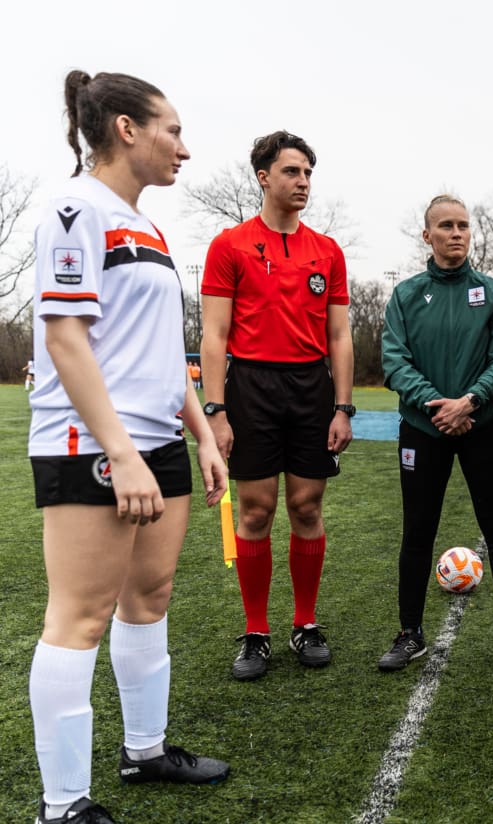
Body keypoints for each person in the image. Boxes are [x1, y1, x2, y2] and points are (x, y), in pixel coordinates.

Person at [28, 70, 230, 824]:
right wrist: (120, 452)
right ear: (125, 128)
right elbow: (65, 339)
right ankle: (62, 805)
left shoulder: (144, 224)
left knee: (149, 599)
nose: (183, 145)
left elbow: (159, 348)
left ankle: (144, 751)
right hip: (93, 446)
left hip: (158, 445)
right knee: (79, 616)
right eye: (171, 129)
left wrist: (203, 437)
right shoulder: (75, 208)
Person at [200, 131, 354, 681]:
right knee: (257, 511)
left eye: (308, 172)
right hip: (251, 389)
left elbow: (340, 336)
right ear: (264, 177)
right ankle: (257, 631)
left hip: (311, 389)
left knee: (307, 508)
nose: (303, 182)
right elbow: (214, 335)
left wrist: (343, 406)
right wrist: (215, 411)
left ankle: (305, 623)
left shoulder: (328, 251)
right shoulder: (230, 246)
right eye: (292, 171)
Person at [378, 194, 493, 672]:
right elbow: (395, 361)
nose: (456, 233)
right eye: (446, 226)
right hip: (424, 428)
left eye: (463, 225)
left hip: (483, 425)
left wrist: (469, 402)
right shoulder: (405, 295)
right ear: (428, 236)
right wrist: (435, 404)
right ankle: (409, 633)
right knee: (417, 532)